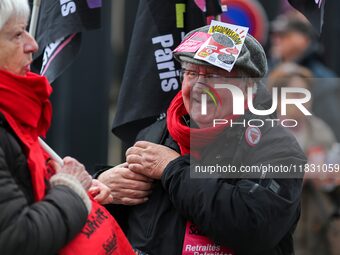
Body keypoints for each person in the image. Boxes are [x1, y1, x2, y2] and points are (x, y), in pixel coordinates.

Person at [98, 24, 306, 254]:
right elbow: (132, 225)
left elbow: (252, 227)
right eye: (191, 73)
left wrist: (171, 169)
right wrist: (103, 186)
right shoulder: (156, 133)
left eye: (213, 75)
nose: (199, 86)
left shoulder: (277, 146)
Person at [0, 0, 134, 254]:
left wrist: (86, 184)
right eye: (17, 34)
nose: (33, 45)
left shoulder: (16, 113)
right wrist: (73, 189)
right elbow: (17, 238)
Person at [267, 63, 340, 255]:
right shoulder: (263, 132)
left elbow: (332, 168)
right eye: (296, 95)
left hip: (318, 232)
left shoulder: (319, 129)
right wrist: (302, 174)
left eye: (305, 94)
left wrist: (332, 178)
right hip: (280, 232)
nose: (303, 101)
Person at [269, 11, 340, 141]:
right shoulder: (269, 72)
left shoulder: (324, 79)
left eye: (284, 35)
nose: (277, 40)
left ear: (303, 40)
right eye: (275, 35)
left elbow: (332, 131)